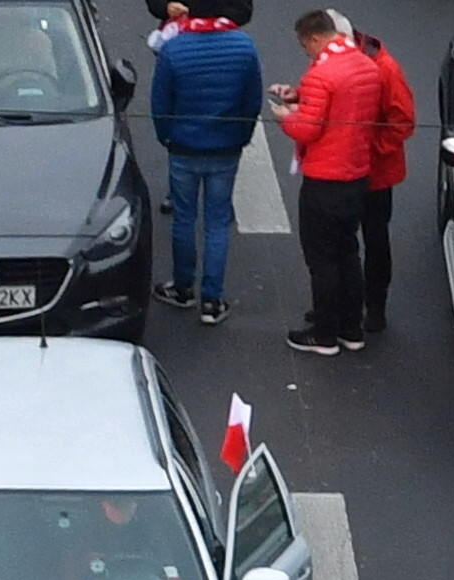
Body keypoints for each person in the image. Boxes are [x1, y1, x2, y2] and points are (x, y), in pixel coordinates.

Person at [269, 9, 378, 355]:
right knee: (348, 252)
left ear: (315, 38)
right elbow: (339, 108)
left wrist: (285, 117)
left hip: (324, 179)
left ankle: (324, 334)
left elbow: (308, 129)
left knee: (322, 260)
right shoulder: (365, 66)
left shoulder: (323, 74)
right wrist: (298, 96)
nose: (307, 53)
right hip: (356, 175)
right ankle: (351, 329)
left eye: (305, 47)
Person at [149, 3, 261, 325]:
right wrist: (241, 135)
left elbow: (160, 102)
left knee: (183, 219)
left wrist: (166, 137)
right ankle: (212, 300)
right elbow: (251, 101)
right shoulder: (244, 46)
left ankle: (183, 288)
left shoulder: (174, 48)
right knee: (217, 222)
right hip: (225, 147)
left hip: (183, 147)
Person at [344, 15, 415, 334]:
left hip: (374, 174)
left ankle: (375, 306)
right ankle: (342, 302)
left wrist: (368, 149)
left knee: (374, 241)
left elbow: (403, 121)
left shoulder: (385, 68)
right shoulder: (349, 58)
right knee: (340, 241)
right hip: (346, 169)